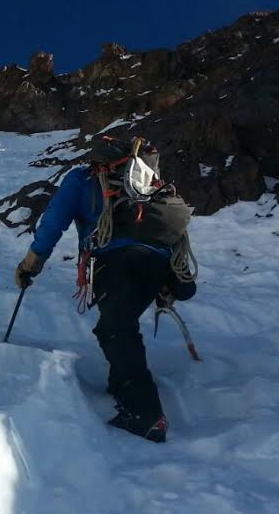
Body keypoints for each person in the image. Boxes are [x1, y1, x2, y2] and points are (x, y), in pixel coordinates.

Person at [15, 138, 196, 443]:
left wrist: (31, 263)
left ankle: (145, 415)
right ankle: (121, 382)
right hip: (158, 263)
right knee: (120, 323)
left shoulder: (81, 179)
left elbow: (54, 222)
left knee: (115, 329)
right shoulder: (145, 183)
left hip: (114, 261)